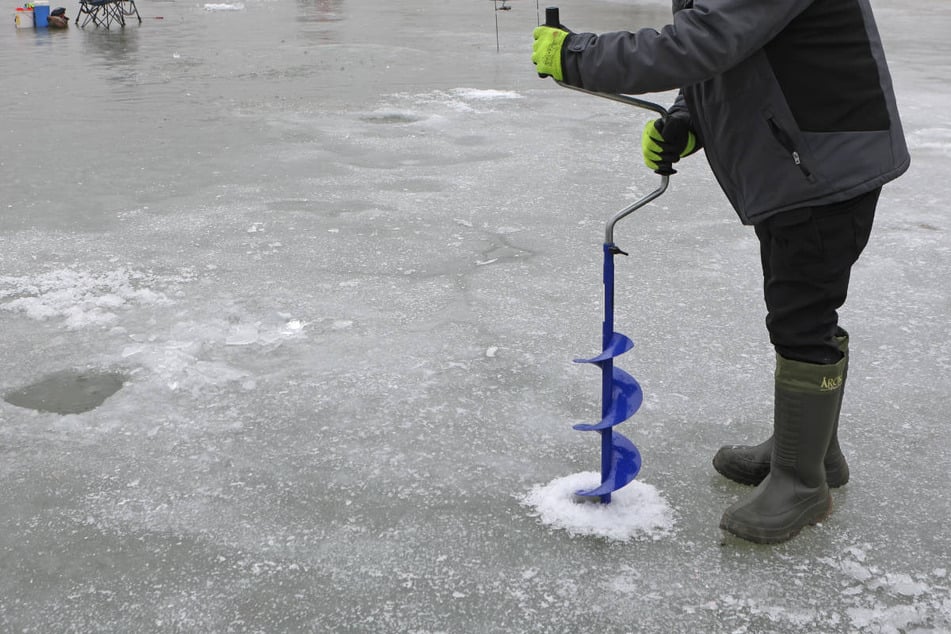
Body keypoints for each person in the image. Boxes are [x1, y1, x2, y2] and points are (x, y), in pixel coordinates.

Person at [532, 0, 910, 544]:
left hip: (825, 164)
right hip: (794, 162)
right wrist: (689, 120)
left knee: (802, 317)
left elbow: (703, 40)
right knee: (799, 309)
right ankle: (811, 451)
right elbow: (726, 50)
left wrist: (578, 56)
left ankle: (802, 482)